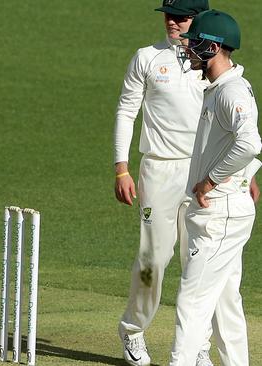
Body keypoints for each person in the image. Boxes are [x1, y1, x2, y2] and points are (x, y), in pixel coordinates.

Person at [112, 1, 221, 365]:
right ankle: (133, 329)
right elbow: (127, 109)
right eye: (168, 15)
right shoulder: (146, 57)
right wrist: (121, 168)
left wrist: (237, 174)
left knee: (200, 261)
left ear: (199, 20)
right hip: (158, 172)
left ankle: (198, 343)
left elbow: (230, 120)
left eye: (182, 17)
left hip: (203, 174)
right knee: (153, 258)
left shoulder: (211, 63)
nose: (173, 22)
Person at [170, 9, 261, 365]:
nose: (188, 47)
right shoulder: (221, 88)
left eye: (194, 42)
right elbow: (241, 145)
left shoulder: (231, 91)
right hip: (222, 211)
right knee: (225, 304)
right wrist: (246, 174)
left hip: (219, 215)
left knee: (192, 303)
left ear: (213, 46)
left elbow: (250, 142)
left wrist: (211, 180)